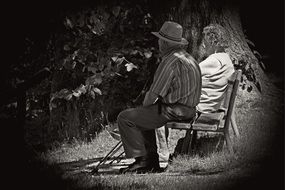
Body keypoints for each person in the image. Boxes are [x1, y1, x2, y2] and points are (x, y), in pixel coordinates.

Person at [117, 21, 202, 174]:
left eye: (159, 40)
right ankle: (149, 161)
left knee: (126, 117)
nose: (158, 42)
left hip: (177, 109)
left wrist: (142, 110)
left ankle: (144, 162)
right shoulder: (188, 57)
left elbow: (153, 94)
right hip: (190, 109)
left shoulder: (170, 61)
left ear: (164, 42)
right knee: (144, 114)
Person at [156, 23, 235, 161]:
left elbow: (189, 71)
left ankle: (163, 152)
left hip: (199, 108)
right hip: (210, 105)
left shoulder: (214, 61)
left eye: (205, 41)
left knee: (157, 109)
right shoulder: (226, 59)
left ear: (213, 41)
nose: (203, 45)